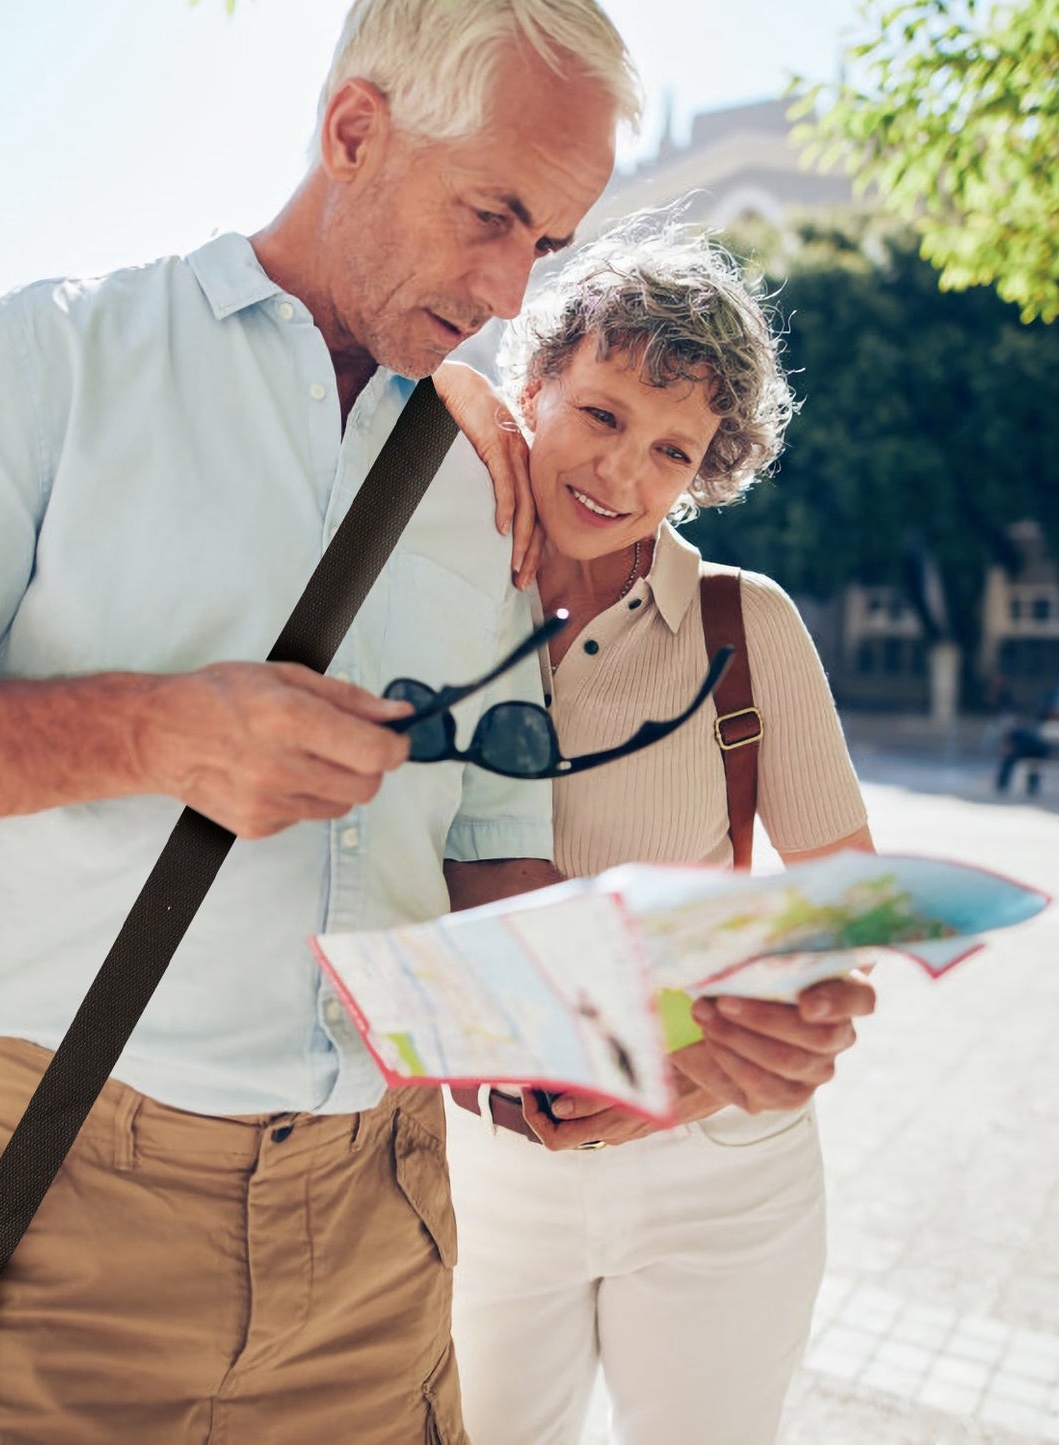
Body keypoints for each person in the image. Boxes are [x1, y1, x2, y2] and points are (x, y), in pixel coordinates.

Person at [0, 5, 872, 1438]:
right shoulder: (54, 360)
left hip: (385, 1242)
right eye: (489, 214)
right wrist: (153, 732)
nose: (507, 291)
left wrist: (639, 1034)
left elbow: (484, 877)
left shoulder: (477, 482)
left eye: (545, 246)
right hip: (56, 1224)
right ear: (353, 132)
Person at [439, 224, 875, 1445]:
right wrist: (456, 392)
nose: (621, 471)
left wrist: (674, 1072)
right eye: (598, 414)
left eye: (670, 448)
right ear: (533, 385)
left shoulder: (746, 624)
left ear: (703, 472)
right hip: (477, 1168)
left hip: (717, 1169)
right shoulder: (428, 592)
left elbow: (845, 908)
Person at [995, 682, 1059, 794]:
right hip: (1036, 747)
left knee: (1015, 760)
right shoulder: (1022, 730)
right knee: (1027, 762)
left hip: (1036, 747)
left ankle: (1004, 785)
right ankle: (1023, 786)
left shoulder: (1019, 733)